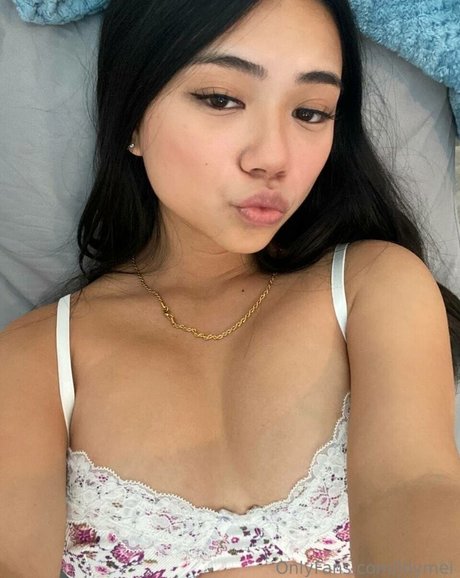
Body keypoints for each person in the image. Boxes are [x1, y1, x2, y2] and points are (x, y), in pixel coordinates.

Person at [0, 0, 459, 577]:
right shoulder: (37, 358)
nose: (273, 158)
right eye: (221, 99)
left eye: (311, 112)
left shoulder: (375, 285)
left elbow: (414, 486)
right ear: (132, 119)